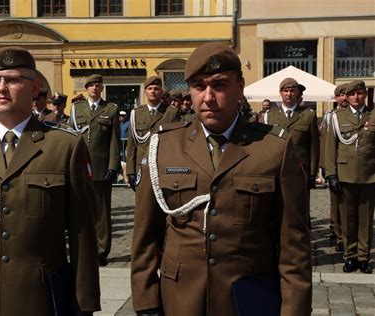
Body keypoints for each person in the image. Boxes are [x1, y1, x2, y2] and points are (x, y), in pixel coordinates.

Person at [130, 43, 311, 315]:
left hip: (248, 299)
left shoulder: (273, 149)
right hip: (180, 299)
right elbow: (145, 236)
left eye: (219, 85)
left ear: (240, 87)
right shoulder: (163, 146)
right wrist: (146, 302)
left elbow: (293, 245)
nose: (208, 97)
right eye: (199, 86)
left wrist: (294, 309)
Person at [0, 46, 101, 315]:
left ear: (35, 88)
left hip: (41, 298)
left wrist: (85, 304)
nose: (1, 88)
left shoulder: (64, 146)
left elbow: (83, 233)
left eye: (12, 80)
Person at [325, 80, 375, 274]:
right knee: (348, 220)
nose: (356, 97)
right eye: (352, 94)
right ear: (346, 96)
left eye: (359, 93)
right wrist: (331, 174)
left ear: (365, 94)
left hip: (370, 175)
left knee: (365, 220)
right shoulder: (337, 117)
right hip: (345, 175)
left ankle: (363, 257)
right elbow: (330, 148)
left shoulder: (374, 115)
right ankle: (350, 256)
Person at [69, 74, 120, 266]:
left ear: (101, 88)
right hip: (80, 166)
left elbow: (114, 141)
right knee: (80, 210)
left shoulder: (110, 109)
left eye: (97, 86)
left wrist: (113, 165)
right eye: (90, 86)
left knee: (101, 213)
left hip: (100, 167)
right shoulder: (76, 109)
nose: (93, 89)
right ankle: (83, 249)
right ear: (86, 88)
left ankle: (101, 250)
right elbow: (71, 136)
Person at [264, 77, 320, 192]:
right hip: (276, 168)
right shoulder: (270, 116)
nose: (288, 94)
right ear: (280, 93)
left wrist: (312, 174)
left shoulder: (308, 115)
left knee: (300, 207)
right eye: (285, 91)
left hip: (300, 169)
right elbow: (265, 146)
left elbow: (314, 146)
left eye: (292, 91)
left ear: (297, 93)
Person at [126, 76, 179, 190]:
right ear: (145, 91)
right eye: (150, 88)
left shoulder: (171, 113)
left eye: (156, 88)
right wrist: (130, 170)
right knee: (142, 205)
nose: (153, 91)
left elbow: (176, 144)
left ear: (161, 91)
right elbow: (131, 145)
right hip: (142, 167)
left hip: (164, 166)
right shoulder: (136, 114)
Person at [320, 83, 349, 251]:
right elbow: (325, 141)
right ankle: (338, 233)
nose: (344, 98)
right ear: (336, 97)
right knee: (336, 202)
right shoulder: (330, 116)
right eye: (341, 95)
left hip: (351, 165)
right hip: (334, 164)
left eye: (346, 94)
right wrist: (324, 165)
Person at [119, 110, 130, 184]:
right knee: (120, 160)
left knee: (125, 160)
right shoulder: (118, 124)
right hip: (120, 145)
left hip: (126, 145)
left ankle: (126, 178)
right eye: (120, 115)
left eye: (123, 115)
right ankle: (121, 177)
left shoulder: (128, 123)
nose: (121, 117)